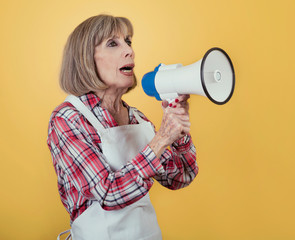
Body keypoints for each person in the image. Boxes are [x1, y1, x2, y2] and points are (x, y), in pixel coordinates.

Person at [47, 14, 198, 240]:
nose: (129, 51)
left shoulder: (136, 118)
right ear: (85, 59)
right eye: (112, 43)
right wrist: (161, 139)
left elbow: (181, 177)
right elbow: (109, 193)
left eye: (128, 41)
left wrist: (178, 133)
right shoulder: (68, 119)